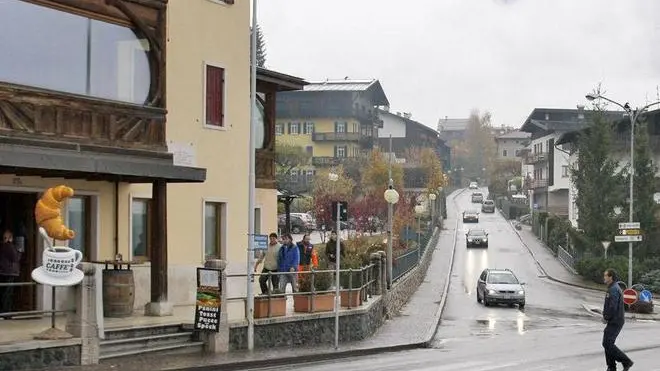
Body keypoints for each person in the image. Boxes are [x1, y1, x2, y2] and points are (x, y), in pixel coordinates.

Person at [602, 268, 634, 371]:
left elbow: (613, 306)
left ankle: (626, 361)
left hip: (616, 320)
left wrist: (606, 317)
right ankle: (611, 367)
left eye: (605, 275)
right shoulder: (612, 287)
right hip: (614, 320)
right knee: (607, 343)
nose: (604, 277)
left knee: (607, 343)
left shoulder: (613, 289)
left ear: (610, 277)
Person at [0, 229, 21, 319]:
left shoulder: (2, 245)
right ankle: (6, 313)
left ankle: (4, 312)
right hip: (9, 272)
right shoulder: (9, 246)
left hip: (3, 271)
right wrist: (19, 251)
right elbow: (15, 258)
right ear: (10, 238)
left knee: (4, 292)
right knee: (8, 294)